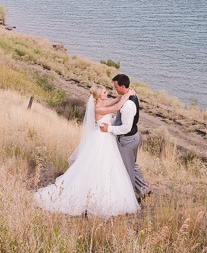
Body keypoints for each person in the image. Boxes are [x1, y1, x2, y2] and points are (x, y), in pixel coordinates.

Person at [33, 84, 140, 217]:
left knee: (108, 165)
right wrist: (128, 95)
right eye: (105, 92)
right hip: (102, 138)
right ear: (99, 95)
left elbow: (117, 100)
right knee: (99, 165)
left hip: (107, 138)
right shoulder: (98, 108)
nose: (107, 94)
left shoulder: (104, 102)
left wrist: (127, 93)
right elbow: (117, 107)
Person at [99, 74, 152, 200]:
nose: (114, 89)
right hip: (133, 136)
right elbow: (119, 115)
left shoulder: (128, 105)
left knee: (126, 169)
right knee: (132, 165)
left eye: (116, 86)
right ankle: (144, 189)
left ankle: (132, 197)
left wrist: (109, 129)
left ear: (123, 86)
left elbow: (125, 128)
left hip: (127, 139)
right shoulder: (129, 95)